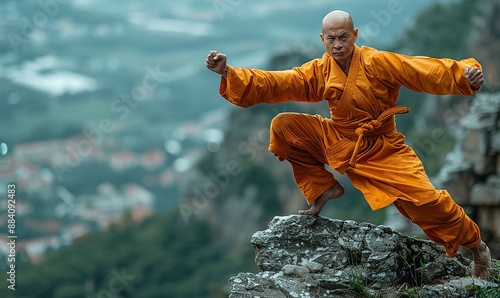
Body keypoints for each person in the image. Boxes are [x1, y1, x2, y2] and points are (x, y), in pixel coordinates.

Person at [205, 10, 491, 278]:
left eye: (343, 37)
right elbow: (277, 83)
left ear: (354, 35)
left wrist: (463, 74)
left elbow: (420, 70)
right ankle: (323, 187)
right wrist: (229, 72)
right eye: (331, 38)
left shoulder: (377, 61)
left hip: (382, 146)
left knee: (426, 201)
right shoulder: (319, 70)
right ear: (322, 40)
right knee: (283, 126)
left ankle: (476, 245)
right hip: (340, 137)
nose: (337, 45)